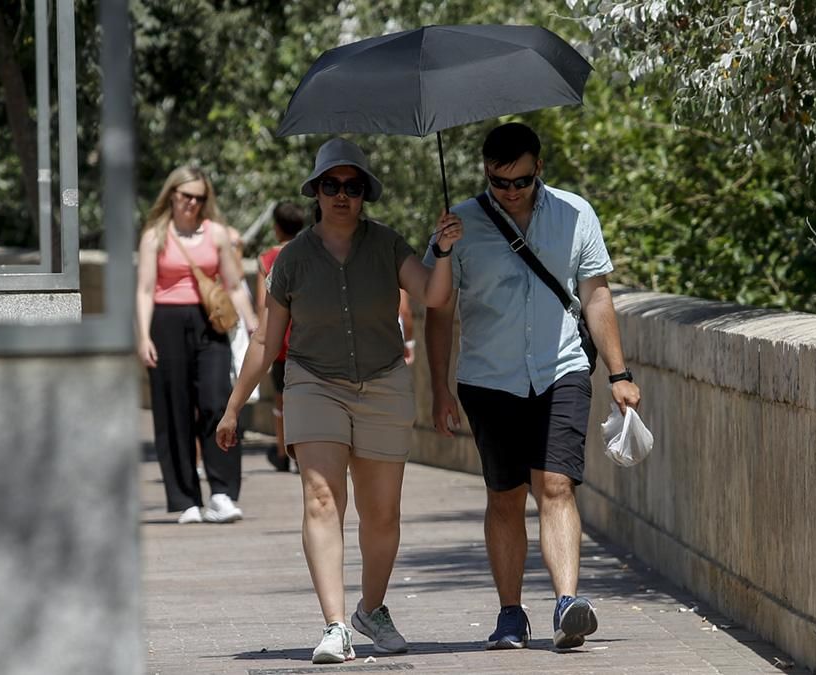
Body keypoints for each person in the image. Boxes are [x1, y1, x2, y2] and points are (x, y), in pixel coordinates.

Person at [216, 138, 462, 664]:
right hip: (314, 383)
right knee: (323, 499)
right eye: (331, 185)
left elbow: (435, 295)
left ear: (365, 193)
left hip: (383, 383)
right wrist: (233, 406)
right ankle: (334, 625)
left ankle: (371, 610)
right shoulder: (292, 259)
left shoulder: (388, 245)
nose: (342, 195)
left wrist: (441, 251)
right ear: (316, 192)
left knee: (382, 514)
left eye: (353, 186)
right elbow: (264, 340)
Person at [424, 122, 642, 651]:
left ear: (538, 168)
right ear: (485, 173)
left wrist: (619, 374)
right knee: (504, 498)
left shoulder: (575, 213)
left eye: (521, 181)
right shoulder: (460, 226)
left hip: (560, 368)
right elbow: (437, 309)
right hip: (488, 378)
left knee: (557, 485)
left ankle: (567, 604)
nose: (511, 192)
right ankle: (510, 614)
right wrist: (439, 389)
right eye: (499, 182)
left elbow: (596, 295)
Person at [136, 163, 258, 525]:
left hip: (209, 322)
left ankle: (222, 493)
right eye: (186, 196)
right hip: (166, 321)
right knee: (173, 409)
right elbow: (144, 289)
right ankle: (184, 497)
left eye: (199, 198)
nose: (192, 203)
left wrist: (253, 323)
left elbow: (234, 285)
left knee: (217, 401)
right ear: (172, 194)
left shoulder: (216, 234)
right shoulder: (154, 236)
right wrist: (143, 336)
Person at [255, 200, 306, 473]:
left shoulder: (266, 259)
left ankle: (282, 450)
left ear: (276, 228)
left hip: (281, 342)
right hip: (306, 335)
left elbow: (261, 305)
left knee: (281, 400)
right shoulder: (310, 252)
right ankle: (304, 455)